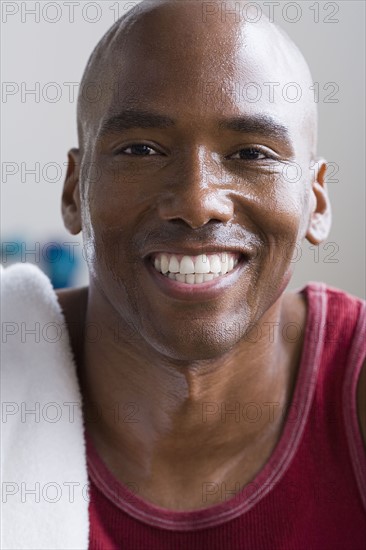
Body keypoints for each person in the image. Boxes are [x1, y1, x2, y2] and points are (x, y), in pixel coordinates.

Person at [2, 1, 365, 548]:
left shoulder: (353, 387)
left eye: (251, 153)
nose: (197, 202)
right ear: (75, 190)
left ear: (315, 201)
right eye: (141, 149)